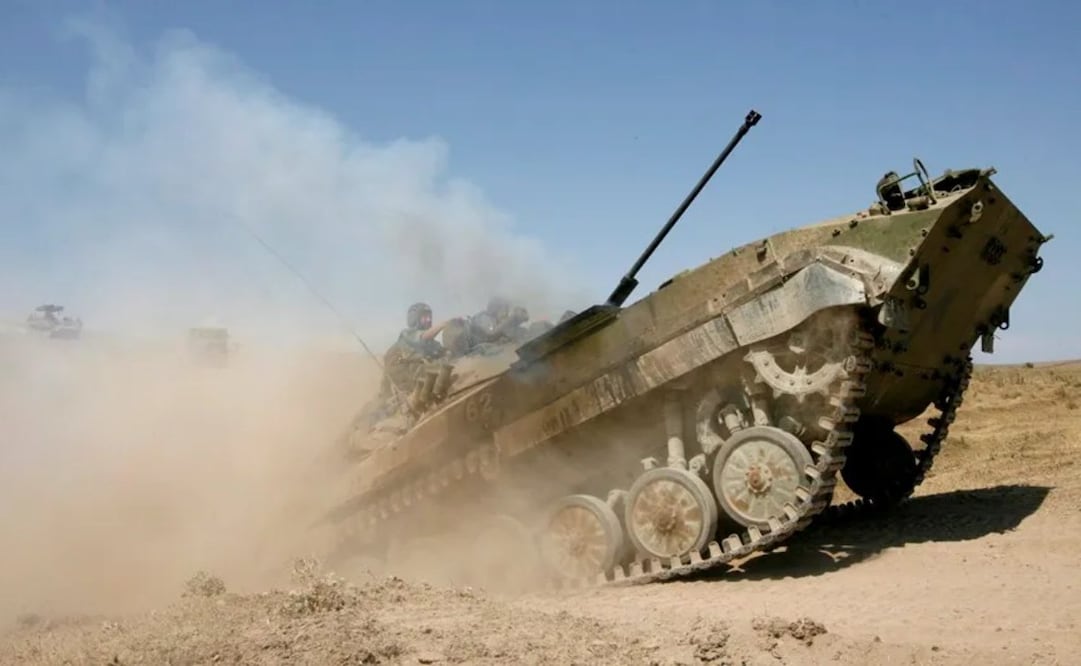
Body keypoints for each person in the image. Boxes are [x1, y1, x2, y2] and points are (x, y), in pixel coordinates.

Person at [380, 302, 458, 399]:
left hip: (426, 378)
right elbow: (423, 337)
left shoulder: (432, 344)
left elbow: (446, 353)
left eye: (430, 317)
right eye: (425, 318)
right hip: (411, 379)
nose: (429, 320)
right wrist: (443, 324)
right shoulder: (407, 334)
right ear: (414, 319)